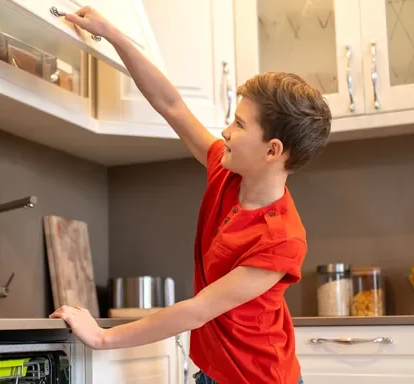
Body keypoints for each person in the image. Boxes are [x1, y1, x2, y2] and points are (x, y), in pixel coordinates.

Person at [50, 6, 332, 384]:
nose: (225, 130)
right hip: (213, 372)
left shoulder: (280, 239)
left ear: (272, 150)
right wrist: (113, 35)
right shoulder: (227, 171)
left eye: (239, 124)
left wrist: (101, 338)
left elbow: (198, 310)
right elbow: (172, 105)